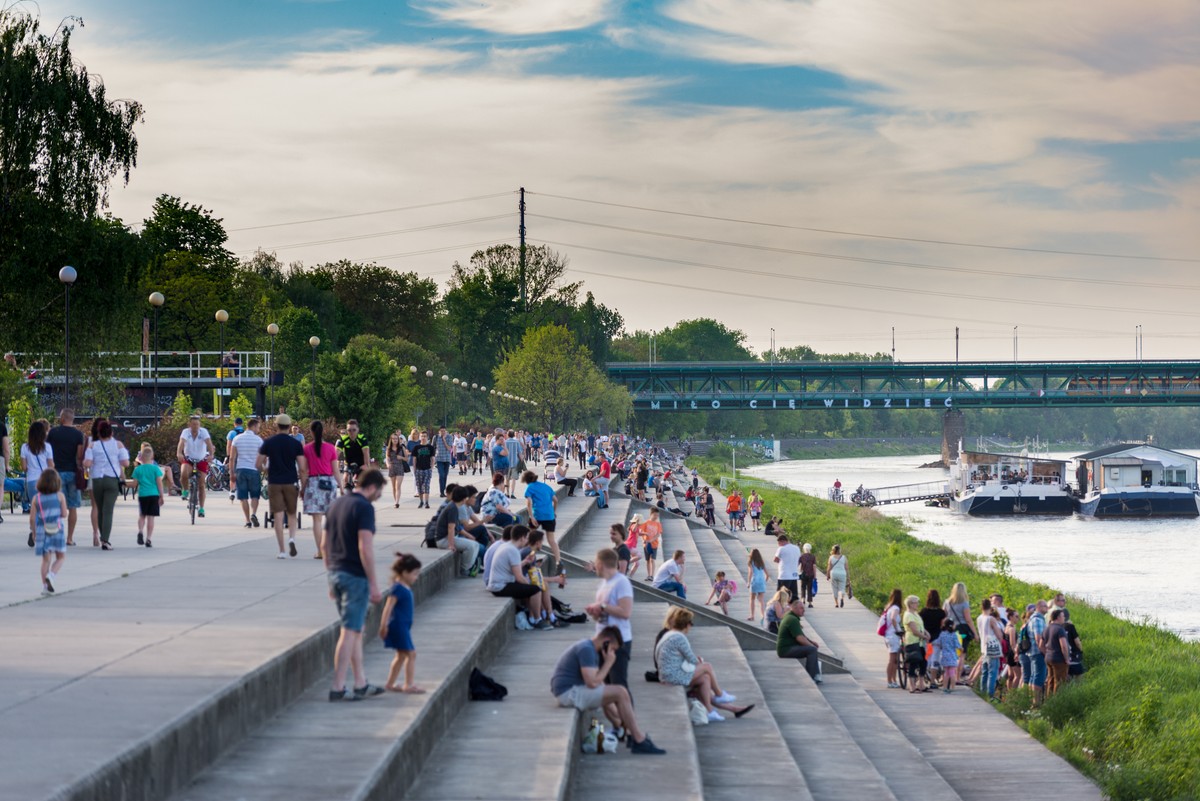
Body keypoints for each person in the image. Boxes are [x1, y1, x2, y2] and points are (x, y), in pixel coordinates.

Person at [323, 466, 387, 701]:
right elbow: (365, 548)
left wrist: (330, 576)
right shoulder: (364, 508)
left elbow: (324, 545)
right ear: (371, 487)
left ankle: (360, 682)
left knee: (356, 630)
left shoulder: (337, 503)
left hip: (337, 573)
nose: (377, 497)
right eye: (378, 493)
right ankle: (338, 687)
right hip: (355, 577)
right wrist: (373, 584)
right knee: (349, 632)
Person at [550, 628, 666, 755]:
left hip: (571, 691)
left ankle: (623, 730)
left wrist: (621, 719)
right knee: (621, 692)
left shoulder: (590, 648)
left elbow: (599, 684)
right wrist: (609, 663)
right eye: (613, 649)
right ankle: (638, 739)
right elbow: (592, 683)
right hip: (568, 693)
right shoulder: (587, 649)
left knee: (612, 691)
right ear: (607, 642)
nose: (613, 653)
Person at [654, 606, 753, 722]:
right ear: (685, 624)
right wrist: (699, 661)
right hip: (671, 676)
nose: (691, 626)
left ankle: (710, 711)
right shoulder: (679, 637)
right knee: (707, 667)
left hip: (667, 674)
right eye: (691, 623)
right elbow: (692, 659)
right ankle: (720, 695)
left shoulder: (670, 634)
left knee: (705, 678)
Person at [257, 414, 308, 559]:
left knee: (278, 516)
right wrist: (303, 486)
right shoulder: (296, 444)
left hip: (274, 482)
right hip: (291, 481)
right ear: (289, 426)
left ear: (277, 425)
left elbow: (257, 463)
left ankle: (282, 550)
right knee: (291, 514)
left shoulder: (269, 442)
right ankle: (292, 538)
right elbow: (302, 468)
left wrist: (265, 470)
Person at [585, 547, 635, 689]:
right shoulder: (603, 584)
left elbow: (625, 612)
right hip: (602, 639)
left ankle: (626, 711)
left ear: (600, 564)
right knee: (605, 686)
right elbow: (603, 613)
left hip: (619, 641)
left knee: (618, 685)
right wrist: (595, 612)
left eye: (596, 563)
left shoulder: (622, 582)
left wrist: (602, 606)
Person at [486, 524, 550, 628]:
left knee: (531, 588)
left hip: (497, 585)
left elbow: (513, 567)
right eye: (527, 538)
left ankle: (532, 617)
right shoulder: (513, 551)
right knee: (536, 590)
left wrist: (525, 561)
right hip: (500, 587)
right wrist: (532, 584)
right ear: (521, 538)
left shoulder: (507, 546)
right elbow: (519, 578)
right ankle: (537, 620)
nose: (527, 541)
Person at [380, 552, 424, 693]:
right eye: (415, 574)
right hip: (398, 626)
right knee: (411, 654)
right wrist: (383, 625)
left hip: (403, 626)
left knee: (401, 655)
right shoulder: (397, 588)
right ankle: (408, 685)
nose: (416, 577)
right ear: (405, 572)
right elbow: (388, 608)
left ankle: (390, 683)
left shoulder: (404, 587)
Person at [84, 420, 129, 551]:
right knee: (108, 510)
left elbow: (87, 463)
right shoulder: (118, 444)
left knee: (99, 508)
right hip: (112, 480)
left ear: (98, 433)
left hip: (97, 479)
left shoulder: (93, 446)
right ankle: (105, 540)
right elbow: (125, 463)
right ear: (112, 432)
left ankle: (102, 536)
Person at [46, 409, 84, 547]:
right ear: (72, 419)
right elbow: (79, 456)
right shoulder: (78, 434)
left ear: (62, 418)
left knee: (55, 506)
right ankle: (69, 538)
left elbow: (47, 451)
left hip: (56, 473)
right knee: (72, 506)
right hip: (73, 472)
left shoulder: (53, 433)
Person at [303, 420, 341, 560]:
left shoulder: (306, 449)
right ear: (322, 431)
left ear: (312, 432)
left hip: (313, 482)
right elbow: (336, 470)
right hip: (329, 483)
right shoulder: (331, 448)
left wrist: (302, 488)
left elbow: (304, 470)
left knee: (317, 520)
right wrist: (341, 487)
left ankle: (320, 551)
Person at [30, 468, 66, 594]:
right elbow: (64, 514)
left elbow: (32, 518)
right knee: (61, 557)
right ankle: (51, 575)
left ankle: (45, 587)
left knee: (46, 559)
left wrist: (34, 532)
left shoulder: (36, 498)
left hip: (41, 530)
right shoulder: (60, 496)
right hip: (57, 530)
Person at [432, 486, 481, 576]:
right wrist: (451, 545)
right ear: (463, 498)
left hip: (447, 538)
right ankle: (464, 569)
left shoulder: (453, 506)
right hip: (443, 540)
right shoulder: (452, 508)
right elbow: (451, 528)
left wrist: (469, 536)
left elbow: (457, 527)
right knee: (470, 546)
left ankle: (469, 567)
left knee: (475, 545)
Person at [21, 421, 54, 544]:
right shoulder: (48, 447)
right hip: (45, 480)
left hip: (31, 481)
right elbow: (51, 466)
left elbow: (24, 467)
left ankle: (33, 532)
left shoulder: (25, 447)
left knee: (35, 508)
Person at [228, 418, 265, 529]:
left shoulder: (237, 439)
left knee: (243, 496)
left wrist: (231, 472)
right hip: (254, 470)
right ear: (253, 426)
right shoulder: (259, 440)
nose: (258, 430)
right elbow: (263, 457)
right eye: (258, 427)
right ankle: (254, 513)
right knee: (255, 495)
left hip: (241, 470)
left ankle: (248, 521)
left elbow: (232, 458)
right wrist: (265, 468)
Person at [776, 597, 822, 683]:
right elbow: (800, 639)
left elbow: (800, 635)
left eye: (804, 608)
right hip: (785, 650)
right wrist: (812, 646)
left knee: (812, 648)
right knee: (812, 650)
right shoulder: (792, 620)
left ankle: (816, 675)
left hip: (788, 647)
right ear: (794, 608)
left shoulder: (791, 616)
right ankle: (811, 677)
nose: (803, 610)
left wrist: (811, 642)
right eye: (801, 608)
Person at [176, 415, 214, 516]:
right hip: (189, 459)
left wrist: (211, 454)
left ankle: (201, 508)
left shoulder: (203, 432)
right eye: (193, 424)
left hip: (201, 459)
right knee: (183, 473)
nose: (196, 426)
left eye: (197, 424)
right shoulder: (185, 432)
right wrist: (179, 453)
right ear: (190, 425)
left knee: (201, 485)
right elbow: (181, 442)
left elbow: (209, 443)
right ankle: (185, 490)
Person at [129, 446, 165, 547]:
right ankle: (148, 539)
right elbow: (159, 483)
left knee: (142, 515)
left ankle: (140, 531)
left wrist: (123, 483)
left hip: (143, 495)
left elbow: (134, 484)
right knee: (151, 518)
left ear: (141, 458)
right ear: (152, 456)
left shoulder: (138, 469)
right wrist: (161, 496)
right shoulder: (155, 469)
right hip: (154, 495)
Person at [522, 470, 560, 565]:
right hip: (549, 516)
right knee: (551, 540)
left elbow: (529, 503)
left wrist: (531, 517)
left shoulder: (529, 488)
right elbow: (556, 500)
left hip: (538, 515)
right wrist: (553, 512)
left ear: (526, 481)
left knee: (530, 537)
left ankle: (530, 556)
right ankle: (558, 561)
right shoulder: (546, 486)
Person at [902, 594, 930, 693]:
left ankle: (921, 683)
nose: (917, 604)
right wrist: (924, 636)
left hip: (920, 642)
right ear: (911, 604)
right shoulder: (908, 615)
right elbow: (914, 630)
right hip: (913, 641)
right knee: (914, 662)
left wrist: (926, 632)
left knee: (923, 662)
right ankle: (912, 685)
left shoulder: (915, 614)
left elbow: (920, 626)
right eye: (916, 602)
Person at [919, 589, 947, 683]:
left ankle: (923, 678)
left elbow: (920, 624)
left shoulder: (923, 611)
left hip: (926, 637)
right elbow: (943, 625)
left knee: (927, 657)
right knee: (935, 659)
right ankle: (932, 681)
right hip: (937, 637)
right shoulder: (941, 612)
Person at [1043, 608, 1072, 698]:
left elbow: (1041, 644)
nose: (1064, 618)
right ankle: (1057, 702)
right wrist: (1066, 659)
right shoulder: (1060, 629)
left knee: (1050, 680)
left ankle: (1049, 700)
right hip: (1058, 659)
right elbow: (1063, 646)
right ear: (1058, 618)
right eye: (1063, 616)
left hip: (1048, 657)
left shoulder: (1047, 629)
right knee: (1059, 681)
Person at [336, 419, 371, 493]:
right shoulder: (343, 439)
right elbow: (336, 452)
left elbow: (366, 452)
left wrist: (366, 465)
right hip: (349, 463)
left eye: (354, 430)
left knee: (361, 483)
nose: (351, 432)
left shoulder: (362, 438)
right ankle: (345, 498)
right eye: (349, 430)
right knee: (345, 479)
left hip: (361, 463)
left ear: (358, 430)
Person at [943, 582, 978, 653]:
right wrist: (975, 633)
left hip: (949, 628)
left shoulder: (947, 602)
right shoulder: (964, 603)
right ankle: (961, 664)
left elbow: (943, 616)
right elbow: (968, 620)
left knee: (951, 651)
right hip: (962, 629)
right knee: (961, 653)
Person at [883, 588, 904, 688]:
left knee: (893, 659)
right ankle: (890, 681)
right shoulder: (896, 608)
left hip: (888, 635)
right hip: (893, 635)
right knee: (893, 660)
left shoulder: (888, 607)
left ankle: (892, 680)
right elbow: (893, 618)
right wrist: (897, 629)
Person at [934, 619, 961, 693]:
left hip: (944, 655)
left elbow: (938, 642)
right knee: (952, 672)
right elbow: (957, 645)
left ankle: (944, 687)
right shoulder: (953, 634)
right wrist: (961, 648)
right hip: (952, 655)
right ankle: (953, 687)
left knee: (946, 673)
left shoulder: (942, 634)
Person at [410, 431, 435, 509]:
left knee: (427, 485)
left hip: (427, 469)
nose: (423, 438)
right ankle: (421, 501)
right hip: (418, 469)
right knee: (420, 486)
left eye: (425, 436)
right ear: (420, 437)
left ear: (427, 437)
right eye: (422, 436)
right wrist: (414, 468)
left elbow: (433, 458)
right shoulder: (416, 448)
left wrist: (431, 467)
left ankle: (427, 502)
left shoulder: (430, 447)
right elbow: (414, 459)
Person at [773, 533, 801, 602]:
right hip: (794, 575)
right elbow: (798, 560)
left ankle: (781, 611)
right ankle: (793, 609)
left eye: (779, 543)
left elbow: (775, 559)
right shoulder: (796, 548)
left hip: (784, 575)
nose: (778, 545)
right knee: (794, 596)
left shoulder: (781, 549)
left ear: (782, 541)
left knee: (781, 596)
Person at [385, 432, 409, 507]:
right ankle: (396, 501)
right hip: (392, 467)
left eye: (396, 439)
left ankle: (397, 502)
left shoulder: (402, 448)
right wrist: (388, 464)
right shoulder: (388, 448)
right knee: (393, 486)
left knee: (397, 486)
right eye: (393, 439)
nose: (395, 440)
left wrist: (401, 457)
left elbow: (406, 459)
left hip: (400, 467)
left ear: (398, 440)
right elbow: (387, 459)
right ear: (391, 440)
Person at [640, 509, 663, 580]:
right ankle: (648, 575)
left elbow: (658, 534)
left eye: (657, 515)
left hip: (654, 544)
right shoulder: (645, 523)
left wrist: (651, 540)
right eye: (655, 515)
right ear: (651, 514)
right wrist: (644, 540)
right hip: (646, 545)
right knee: (647, 560)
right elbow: (641, 532)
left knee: (652, 559)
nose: (656, 517)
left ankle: (652, 575)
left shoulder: (658, 524)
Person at [746, 549, 768, 623]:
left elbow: (751, 572)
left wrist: (748, 582)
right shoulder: (761, 562)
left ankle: (752, 615)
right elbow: (767, 575)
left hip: (754, 581)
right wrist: (765, 581)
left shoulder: (750, 562)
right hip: (761, 581)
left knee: (752, 599)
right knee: (761, 600)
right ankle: (763, 615)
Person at [433, 425, 454, 498]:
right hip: (439, 459)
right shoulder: (436, 437)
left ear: (446, 431)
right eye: (441, 431)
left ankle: (443, 489)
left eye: (444, 431)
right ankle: (441, 492)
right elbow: (433, 447)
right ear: (439, 431)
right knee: (441, 475)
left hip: (447, 459)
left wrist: (444, 440)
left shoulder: (449, 437)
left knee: (445, 475)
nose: (442, 432)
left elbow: (449, 448)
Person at [799, 542, 817, 607]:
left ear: (804, 549)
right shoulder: (813, 556)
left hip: (803, 574)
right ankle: (810, 603)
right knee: (809, 588)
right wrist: (815, 576)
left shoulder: (801, 556)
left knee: (803, 587)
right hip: (811, 574)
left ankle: (803, 599)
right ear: (810, 549)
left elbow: (798, 565)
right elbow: (814, 566)